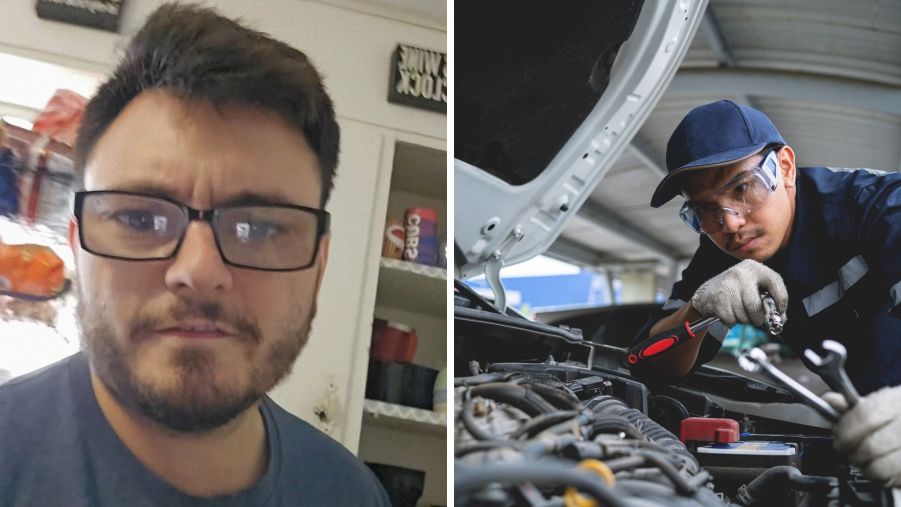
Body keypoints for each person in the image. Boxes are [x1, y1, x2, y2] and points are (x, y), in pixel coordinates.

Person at [0, 4, 390, 505]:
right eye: (140, 220)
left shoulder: (350, 495)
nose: (199, 272)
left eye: (259, 227)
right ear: (78, 246)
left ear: (318, 267)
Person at [632, 99, 900, 485]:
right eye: (705, 209)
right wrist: (696, 311)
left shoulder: (877, 205)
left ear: (785, 168)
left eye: (742, 188)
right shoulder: (719, 256)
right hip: (870, 433)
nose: (730, 223)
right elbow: (647, 364)